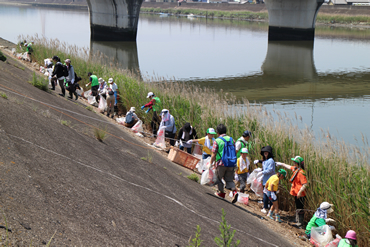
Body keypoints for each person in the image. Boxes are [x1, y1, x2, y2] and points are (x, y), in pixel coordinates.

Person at [210, 124, 238, 203]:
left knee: (218, 178)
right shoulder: (232, 140)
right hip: (231, 163)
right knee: (229, 179)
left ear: (218, 132)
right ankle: (234, 191)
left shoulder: (217, 140)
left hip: (221, 163)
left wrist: (210, 163)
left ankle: (221, 193)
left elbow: (214, 154)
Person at [276, 156, 307, 227]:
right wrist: (281, 163)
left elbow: (305, 184)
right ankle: (297, 220)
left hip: (300, 193)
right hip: (296, 192)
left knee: (300, 207)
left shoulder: (302, 173)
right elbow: (288, 166)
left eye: (294, 162)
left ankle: (300, 222)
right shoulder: (296, 169)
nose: (293, 163)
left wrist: (299, 192)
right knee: (297, 206)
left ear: (297, 163)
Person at [254, 146, 276, 214]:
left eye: (267, 152)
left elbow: (269, 170)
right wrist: (260, 170)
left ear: (269, 153)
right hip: (265, 180)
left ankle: (268, 208)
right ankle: (266, 207)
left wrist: (262, 172)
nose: (265, 153)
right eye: (264, 152)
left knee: (269, 194)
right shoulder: (265, 161)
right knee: (266, 194)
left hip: (271, 180)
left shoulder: (271, 160)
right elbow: (265, 169)